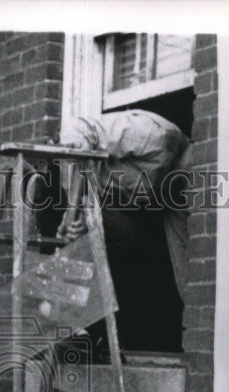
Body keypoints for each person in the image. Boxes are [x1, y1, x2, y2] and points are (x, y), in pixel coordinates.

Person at [57, 109, 190, 357]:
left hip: (102, 201)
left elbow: (183, 258)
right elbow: (78, 128)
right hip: (68, 184)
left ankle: (80, 330)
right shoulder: (155, 136)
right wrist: (71, 211)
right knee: (108, 232)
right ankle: (66, 324)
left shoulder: (174, 178)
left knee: (125, 235)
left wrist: (198, 323)